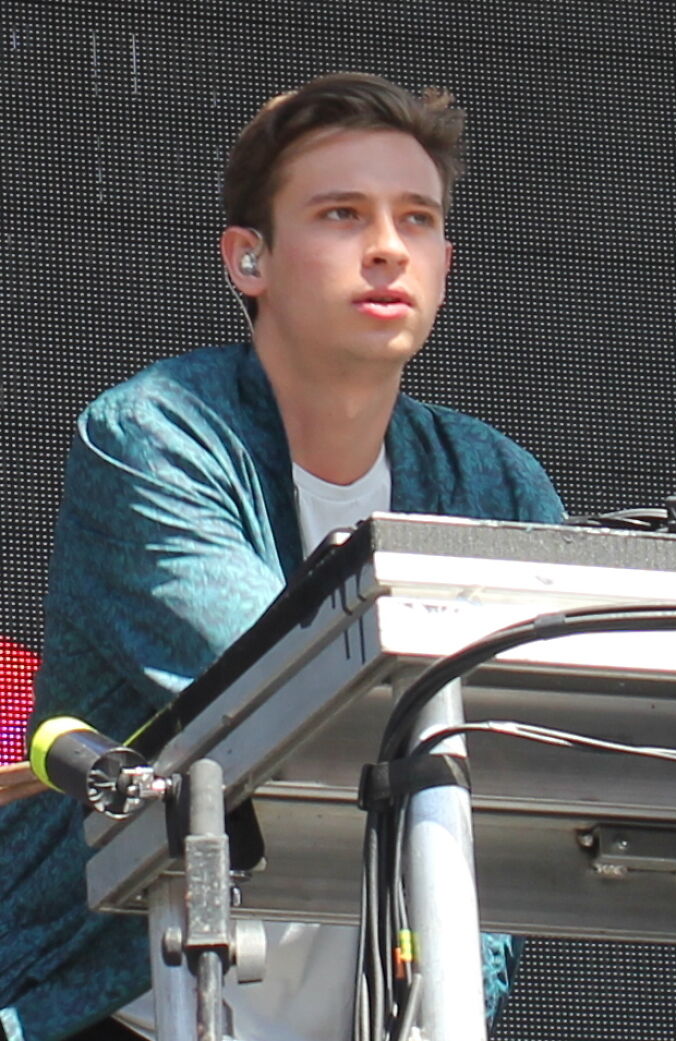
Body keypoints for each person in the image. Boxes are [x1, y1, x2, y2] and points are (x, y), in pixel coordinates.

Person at [0, 73, 563, 1041]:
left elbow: (552, 752)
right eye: (343, 214)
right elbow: (293, 700)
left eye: (417, 219)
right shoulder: (155, 436)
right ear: (248, 258)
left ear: (446, 263)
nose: (388, 246)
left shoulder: (494, 482)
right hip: (121, 1008)